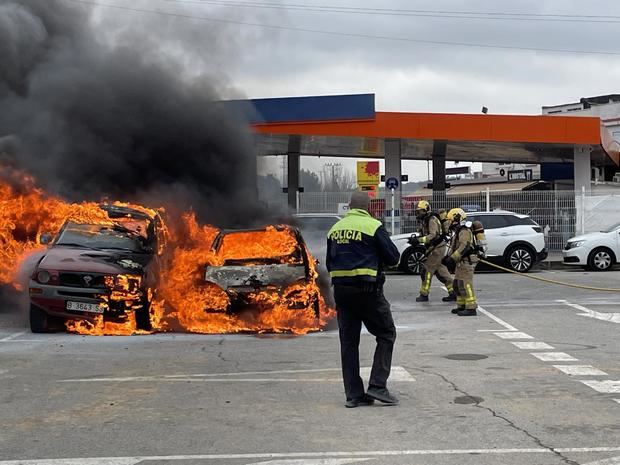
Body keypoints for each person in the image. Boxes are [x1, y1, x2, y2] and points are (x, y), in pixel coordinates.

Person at [326, 191, 401, 408]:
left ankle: (353, 395)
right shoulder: (372, 226)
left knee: (349, 343)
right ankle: (377, 386)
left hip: (341, 292)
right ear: (369, 207)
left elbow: (331, 264)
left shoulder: (335, 229)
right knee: (386, 333)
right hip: (368, 291)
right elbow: (394, 258)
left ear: (349, 206)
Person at [407, 200, 456, 303]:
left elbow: (433, 235)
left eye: (420, 211)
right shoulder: (426, 219)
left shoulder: (431, 219)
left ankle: (424, 295)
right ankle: (454, 292)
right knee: (440, 271)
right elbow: (425, 234)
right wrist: (416, 239)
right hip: (434, 248)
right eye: (417, 211)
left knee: (427, 271)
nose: (418, 213)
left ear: (426, 210)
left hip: (436, 248)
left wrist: (419, 240)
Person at [441, 208, 479, 316]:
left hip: (467, 262)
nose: (449, 223)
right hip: (460, 262)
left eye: (450, 220)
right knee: (457, 285)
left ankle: (471, 308)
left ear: (457, 218)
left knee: (466, 284)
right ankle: (461, 306)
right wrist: (447, 258)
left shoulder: (464, 231)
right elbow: (454, 247)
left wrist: (452, 258)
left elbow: (464, 246)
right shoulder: (458, 231)